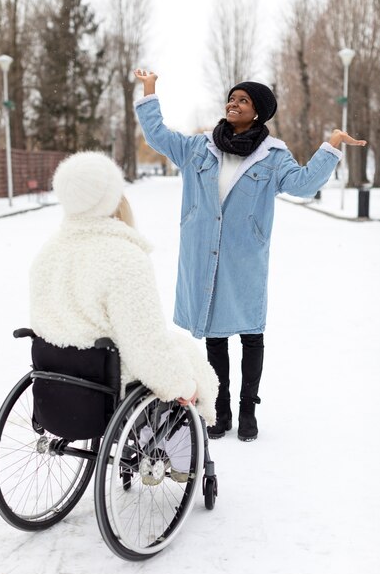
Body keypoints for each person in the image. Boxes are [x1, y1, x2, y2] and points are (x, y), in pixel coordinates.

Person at [133, 68, 367, 442]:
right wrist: (149, 89)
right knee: (214, 337)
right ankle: (220, 411)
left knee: (250, 334)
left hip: (245, 258)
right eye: (231, 98)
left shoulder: (273, 156)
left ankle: (248, 411)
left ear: (257, 112)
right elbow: (159, 136)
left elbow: (304, 184)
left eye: (243, 100)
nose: (233, 103)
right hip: (203, 254)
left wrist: (331, 146)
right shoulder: (200, 147)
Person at [29, 151, 219, 479]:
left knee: (168, 349)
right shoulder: (123, 258)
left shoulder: (48, 251)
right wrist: (183, 385)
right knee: (182, 357)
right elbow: (145, 344)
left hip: (55, 368)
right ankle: (181, 454)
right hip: (107, 373)